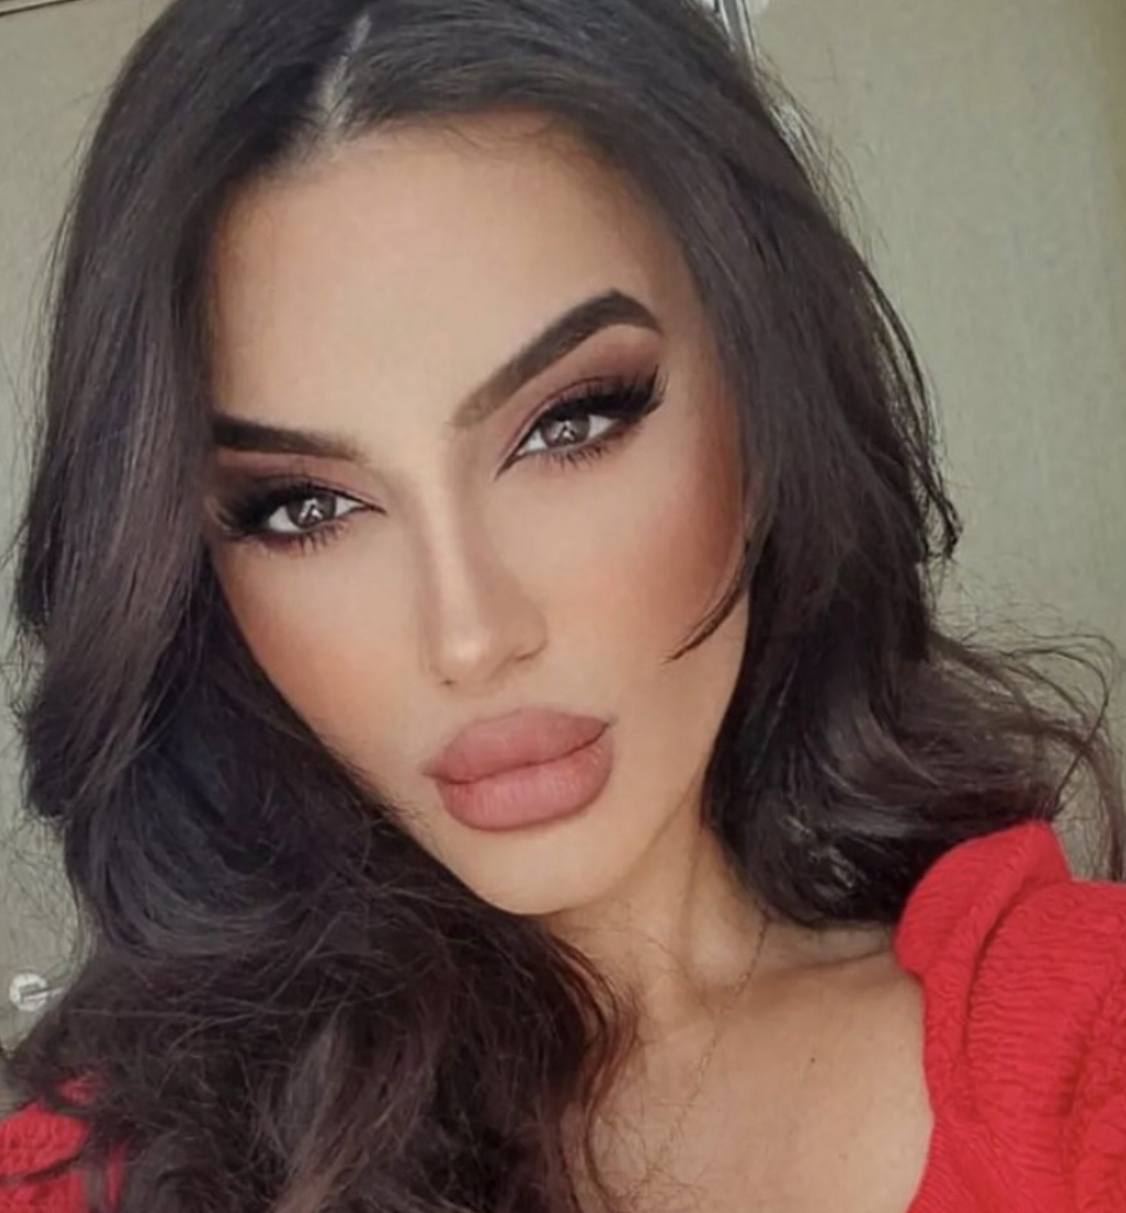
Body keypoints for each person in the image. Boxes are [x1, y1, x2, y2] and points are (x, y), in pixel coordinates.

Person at [1, 0, 1124, 1210]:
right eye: (303, 506)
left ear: (763, 401)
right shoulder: (103, 1177)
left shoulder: (1081, 1052)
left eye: (568, 423)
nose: (472, 636)